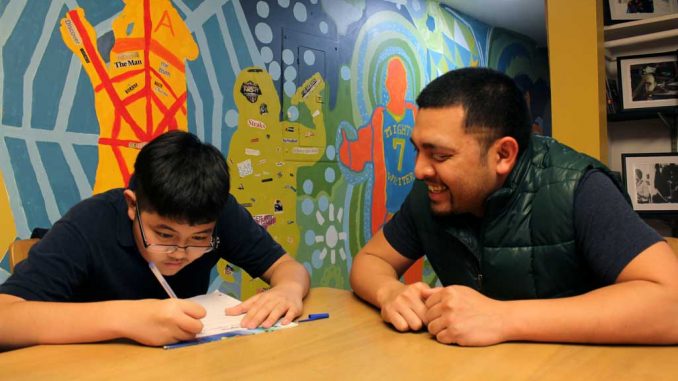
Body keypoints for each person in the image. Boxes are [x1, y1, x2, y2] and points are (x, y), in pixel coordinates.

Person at [350, 67, 678, 346]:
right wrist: (389, 292)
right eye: (418, 150)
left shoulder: (579, 188)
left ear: (503, 155)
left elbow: (671, 304)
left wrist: (502, 318)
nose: (420, 169)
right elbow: (371, 260)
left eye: (439, 155)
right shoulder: (431, 194)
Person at [0, 131, 310, 349]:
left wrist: (289, 289)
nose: (180, 252)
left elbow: (285, 265)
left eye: (199, 239)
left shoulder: (220, 212)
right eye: (164, 235)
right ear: (133, 206)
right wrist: (126, 317)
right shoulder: (89, 224)